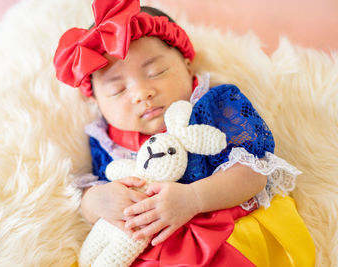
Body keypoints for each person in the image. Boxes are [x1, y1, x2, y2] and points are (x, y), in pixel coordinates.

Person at [54, 0, 315, 266]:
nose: (142, 93)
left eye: (156, 72)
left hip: (225, 235)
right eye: (117, 90)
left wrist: (194, 198)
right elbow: (90, 193)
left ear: (188, 66)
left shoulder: (213, 108)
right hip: (147, 251)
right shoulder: (107, 140)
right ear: (98, 102)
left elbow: (254, 174)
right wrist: (98, 201)